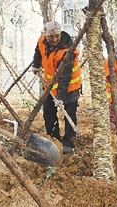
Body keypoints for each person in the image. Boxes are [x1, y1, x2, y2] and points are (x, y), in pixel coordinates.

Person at [31, 21, 82, 154]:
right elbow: (38, 51)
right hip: (49, 85)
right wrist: (36, 65)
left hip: (70, 87)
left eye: (57, 36)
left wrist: (60, 98)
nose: (54, 40)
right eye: (51, 37)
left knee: (69, 113)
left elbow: (65, 78)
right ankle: (54, 138)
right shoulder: (42, 41)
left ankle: (69, 141)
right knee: (48, 112)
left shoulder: (67, 51)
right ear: (45, 35)